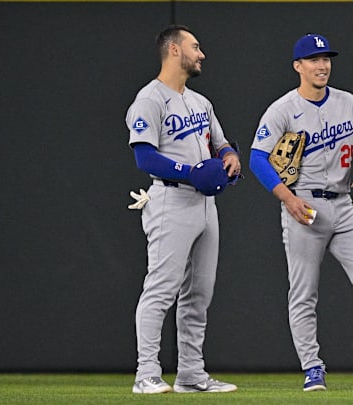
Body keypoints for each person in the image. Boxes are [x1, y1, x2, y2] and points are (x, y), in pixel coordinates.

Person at [249, 33, 353, 391]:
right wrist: (287, 198)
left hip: (343, 205)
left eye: (326, 58)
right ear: (298, 66)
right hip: (304, 206)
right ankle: (312, 367)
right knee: (304, 293)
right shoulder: (282, 109)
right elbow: (257, 157)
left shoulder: (348, 103)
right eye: (314, 59)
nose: (322, 65)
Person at [124, 24, 240, 394]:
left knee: (199, 294)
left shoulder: (200, 102)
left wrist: (230, 157)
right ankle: (146, 373)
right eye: (195, 46)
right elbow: (144, 157)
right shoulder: (149, 99)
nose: (201, 53)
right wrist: (190, 172)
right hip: (170, 199)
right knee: (160, 289)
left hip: (205, 204)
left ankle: (191, 374)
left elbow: (220, 144)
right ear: (174, 50)